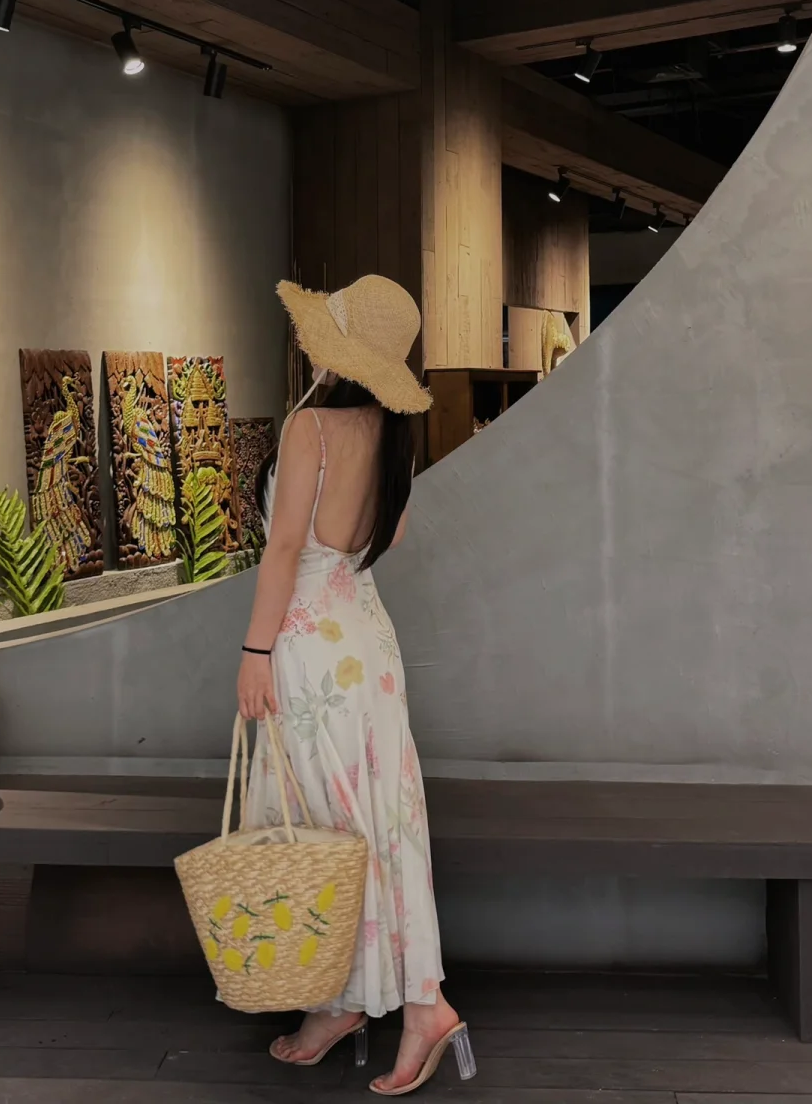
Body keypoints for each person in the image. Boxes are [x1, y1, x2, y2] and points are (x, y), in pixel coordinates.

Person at [236, 275, 476, 1097]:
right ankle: (379, 1001)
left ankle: (394, 1003)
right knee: (379, 821)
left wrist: (255, 650)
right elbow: (390, 535)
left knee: (323, 823)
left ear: (338, 351)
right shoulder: (393, 433)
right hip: (367, 643)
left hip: (307, 645)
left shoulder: (311, 426)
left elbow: (282, 551)